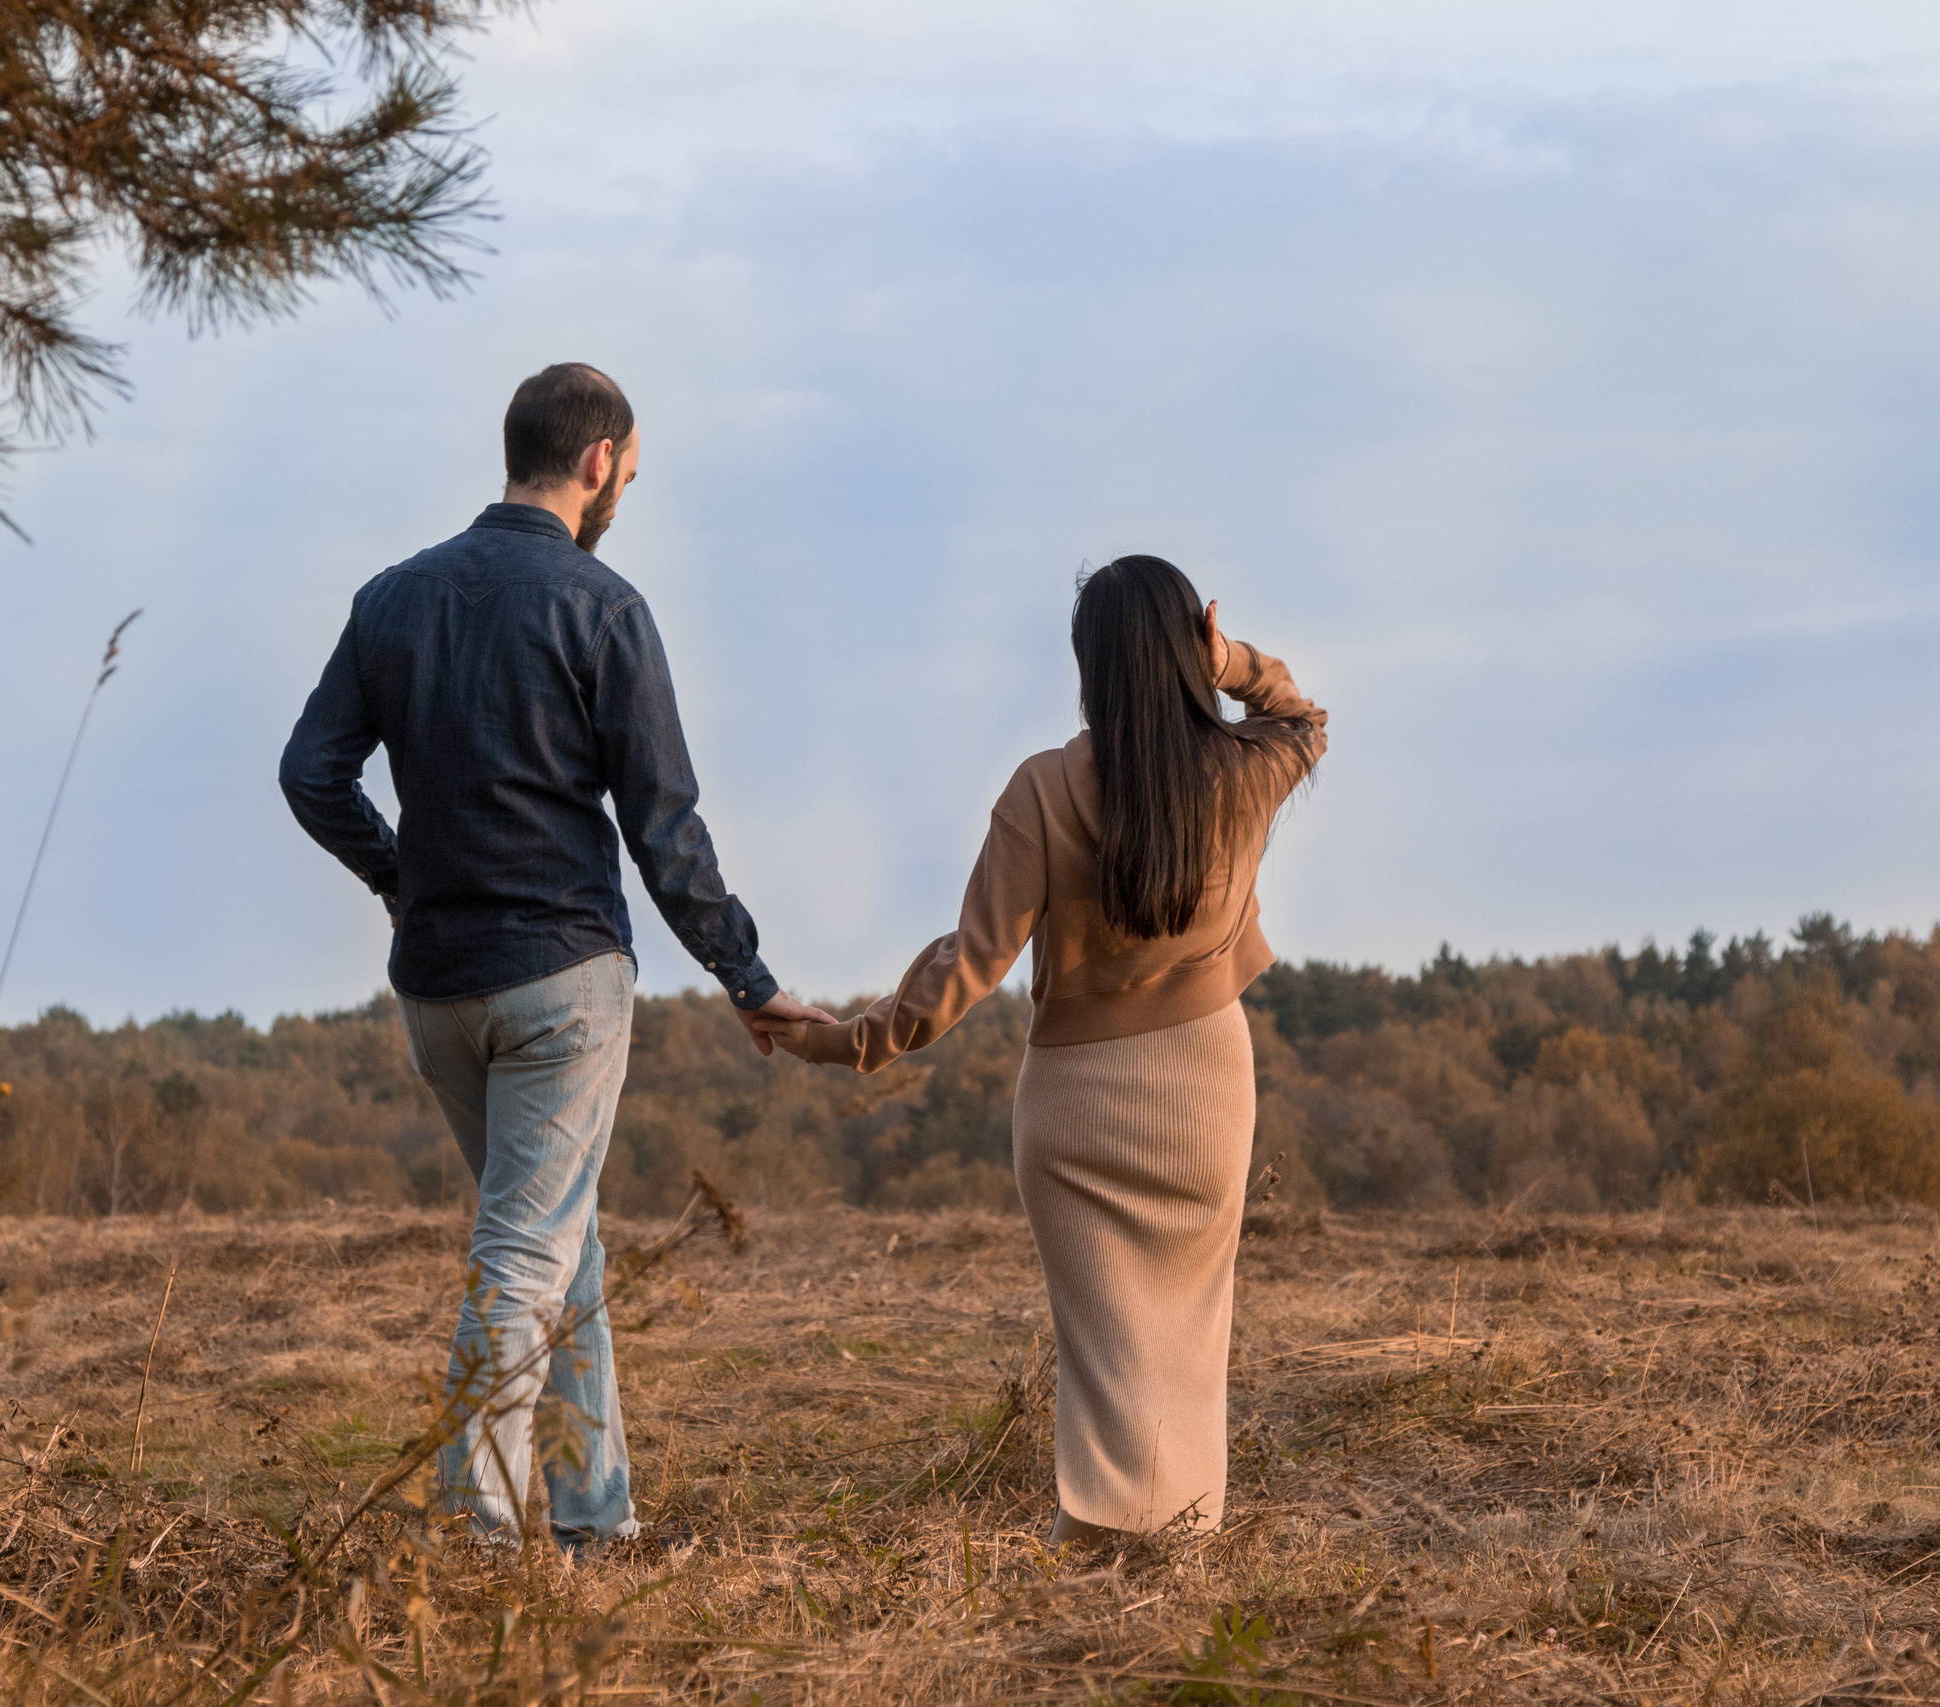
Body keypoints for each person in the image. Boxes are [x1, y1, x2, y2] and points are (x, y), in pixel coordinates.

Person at [278, 362, 834, 1548]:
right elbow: (664, 831)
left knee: (554, 1238)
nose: (628, 485)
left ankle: (593, 1520)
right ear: (597, 462)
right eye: (630, 468)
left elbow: (309, 774)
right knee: (528, 1248)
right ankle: (477, 1540)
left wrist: (395, 875)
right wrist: (749, 978)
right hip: (560, 983)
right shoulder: (606, 607)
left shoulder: (390, 598)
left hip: (436, 988)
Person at [755, 555, 1326, 1543]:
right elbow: (1302, 720)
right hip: (1203, 1098)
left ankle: (1097, 1550)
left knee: (1105, 1351)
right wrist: (1232, 662)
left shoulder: (1043, 788)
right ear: (1188, 651)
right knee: (1190, 1341)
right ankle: (1180, 1548)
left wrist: (839, 1043)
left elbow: (963, 968)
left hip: (1072, 1111)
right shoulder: (1242, 774)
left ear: (1088, 663)